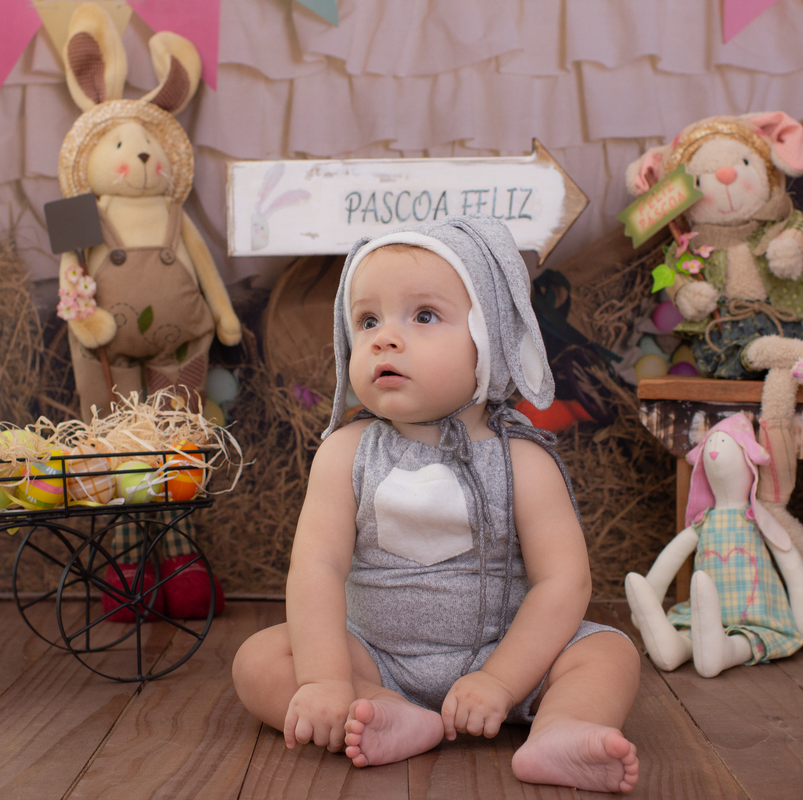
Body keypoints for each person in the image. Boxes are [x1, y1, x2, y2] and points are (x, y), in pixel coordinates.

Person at [233, 216, 641, 793]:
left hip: (507, 653)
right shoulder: (345, 454)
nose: (384, 338)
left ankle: (562, 727)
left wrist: (500, 681)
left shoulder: (523, 461)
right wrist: (326, 679)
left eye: (424, 316)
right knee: (260, 660)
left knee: (607, 654)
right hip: (375, 657)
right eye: (367, 320)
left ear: (491, 339)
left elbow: (564, 585)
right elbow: (316, 569)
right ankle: (379, 711)